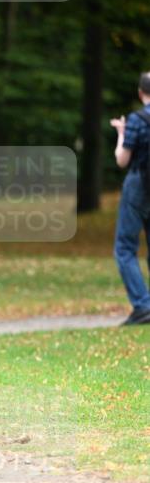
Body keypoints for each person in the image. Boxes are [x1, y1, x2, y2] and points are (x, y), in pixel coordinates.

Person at [110, 71, 150, 326]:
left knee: (125, 248)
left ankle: (143, 306)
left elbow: (122, 160)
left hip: (139, 185)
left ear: (140, 92)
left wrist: (122, 134)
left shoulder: (137, 120)